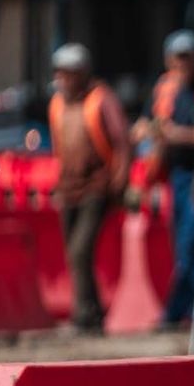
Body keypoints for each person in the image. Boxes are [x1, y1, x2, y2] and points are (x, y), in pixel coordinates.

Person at [142, 30, 194, 327]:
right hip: (175, 176)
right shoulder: (164, 89)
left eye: (187, 56)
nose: (182, 63)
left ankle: (177, 310)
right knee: (185, 246)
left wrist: (181, 136)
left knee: (192, 243)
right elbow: (146, 124)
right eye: (177, 57)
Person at [47, 43, 129, 332]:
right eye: (60, 73)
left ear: (82, 73)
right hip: (68, 189)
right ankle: (92, 312)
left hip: (96, 188)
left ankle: (85, 315)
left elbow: (121, 141)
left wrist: (120, 180)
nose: (63, 79)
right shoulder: (57, 103)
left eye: (69, 73)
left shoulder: (100, 99)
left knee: (80, 250)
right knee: (73, 252)